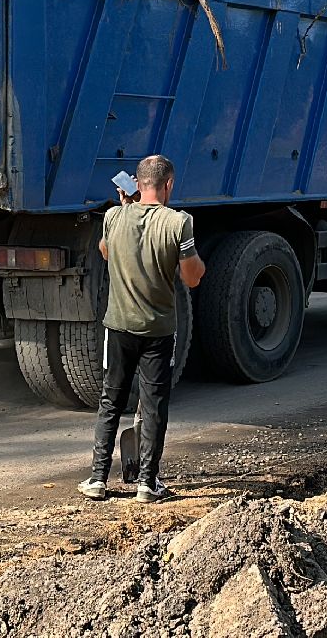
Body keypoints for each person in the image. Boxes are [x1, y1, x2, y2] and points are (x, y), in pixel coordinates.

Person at [79, 154, 204, 503]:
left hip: (118, 327)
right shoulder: (178, 223)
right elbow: (192, 278)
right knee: (153, 404)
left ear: (136, 183)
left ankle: (97, 479)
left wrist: (125, 209)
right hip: (158, 331)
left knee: (111, 399)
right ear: (168, 185)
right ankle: (147, 483)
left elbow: (106, 252)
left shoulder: (113, 217)